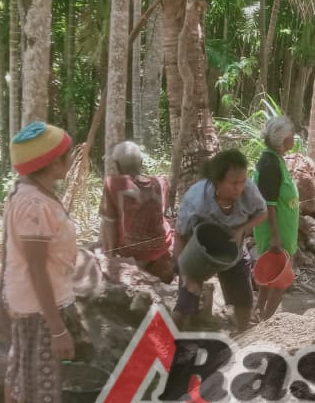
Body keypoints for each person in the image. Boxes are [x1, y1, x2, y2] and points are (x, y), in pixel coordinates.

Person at [0, 122, 77, 403]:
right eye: (67, 155)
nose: (71, 160)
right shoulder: (34, 204)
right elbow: (35, 266)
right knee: (34, 381)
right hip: (38, 306)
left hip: (25, 301)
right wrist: (57, 327)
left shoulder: (27, 193)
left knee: (18, 373)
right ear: (53, 163)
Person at [173, 149, 266, 333]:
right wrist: (183, 271)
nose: (239, 187)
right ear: (217, 181)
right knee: (187, 298)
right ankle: (175, 344)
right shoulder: (197, 200)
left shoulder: (248, 190)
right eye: (233, 183)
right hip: (198, 249)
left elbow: (263, 212)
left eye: (242, 181)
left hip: (233, 247)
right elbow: (180, 235)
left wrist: (242, 230)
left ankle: (242, 336)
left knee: (244, 298)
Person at [99, 141, 174, 283]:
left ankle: (110, 258)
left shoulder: (112, 183)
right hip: (162, 245)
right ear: (141, 162)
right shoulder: (162, 182)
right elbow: (165, 213)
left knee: (108, 218)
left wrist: (110, 253)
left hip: (132, 251)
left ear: (116, 164)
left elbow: (109, 222)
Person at [252, 117, 299, 323]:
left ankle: (259, 313)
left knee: (268, 274)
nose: (294, 138)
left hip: (281, 229)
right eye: (291, 135)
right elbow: (269, 204)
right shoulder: (270, 164)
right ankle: (266, 320)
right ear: (281, 139)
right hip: (276, 230)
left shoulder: (275, 159)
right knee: (280, 279)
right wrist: (275, 236)